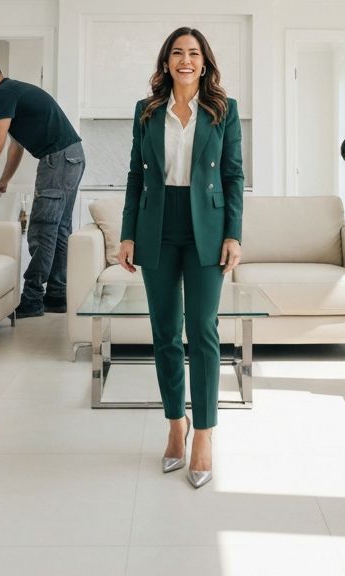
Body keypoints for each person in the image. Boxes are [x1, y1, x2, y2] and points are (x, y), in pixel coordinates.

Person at [117, 27, 243, 490]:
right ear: (166, 61)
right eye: (177, 53)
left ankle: (205, 434)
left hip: (206, 226)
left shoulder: (223, 111)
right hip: (157, 223)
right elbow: (134, 174)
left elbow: (233, 175)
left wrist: (233, 233)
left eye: (193, 53)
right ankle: (176, 425)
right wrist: (128, 232)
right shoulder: (146, 111)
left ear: (204, 62)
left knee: (203, 330)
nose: (185, 60)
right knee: (165, 331)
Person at [0, 60, 85, 318]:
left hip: (58, 159)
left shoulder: (4, 94)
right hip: (72, 156)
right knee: (59, 228)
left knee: (42, 228)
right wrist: (4, 179)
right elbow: (15, 146)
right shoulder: (16, 93)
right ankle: (57, 295)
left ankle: (31, 299)